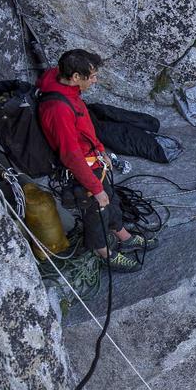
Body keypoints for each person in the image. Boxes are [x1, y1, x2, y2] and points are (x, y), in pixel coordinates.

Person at [37, 49, 153, 273]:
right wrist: (94, 187)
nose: (95, 80)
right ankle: (104, 253)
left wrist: (101, 150)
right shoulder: (58, 109)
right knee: (95, 209)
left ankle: (123, 235)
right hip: (80, 168)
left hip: (92, 159)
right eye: (91, 76)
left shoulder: (62, 82)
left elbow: (83, 128)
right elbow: (70, 155)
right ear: (75, 77)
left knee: (110, 198)